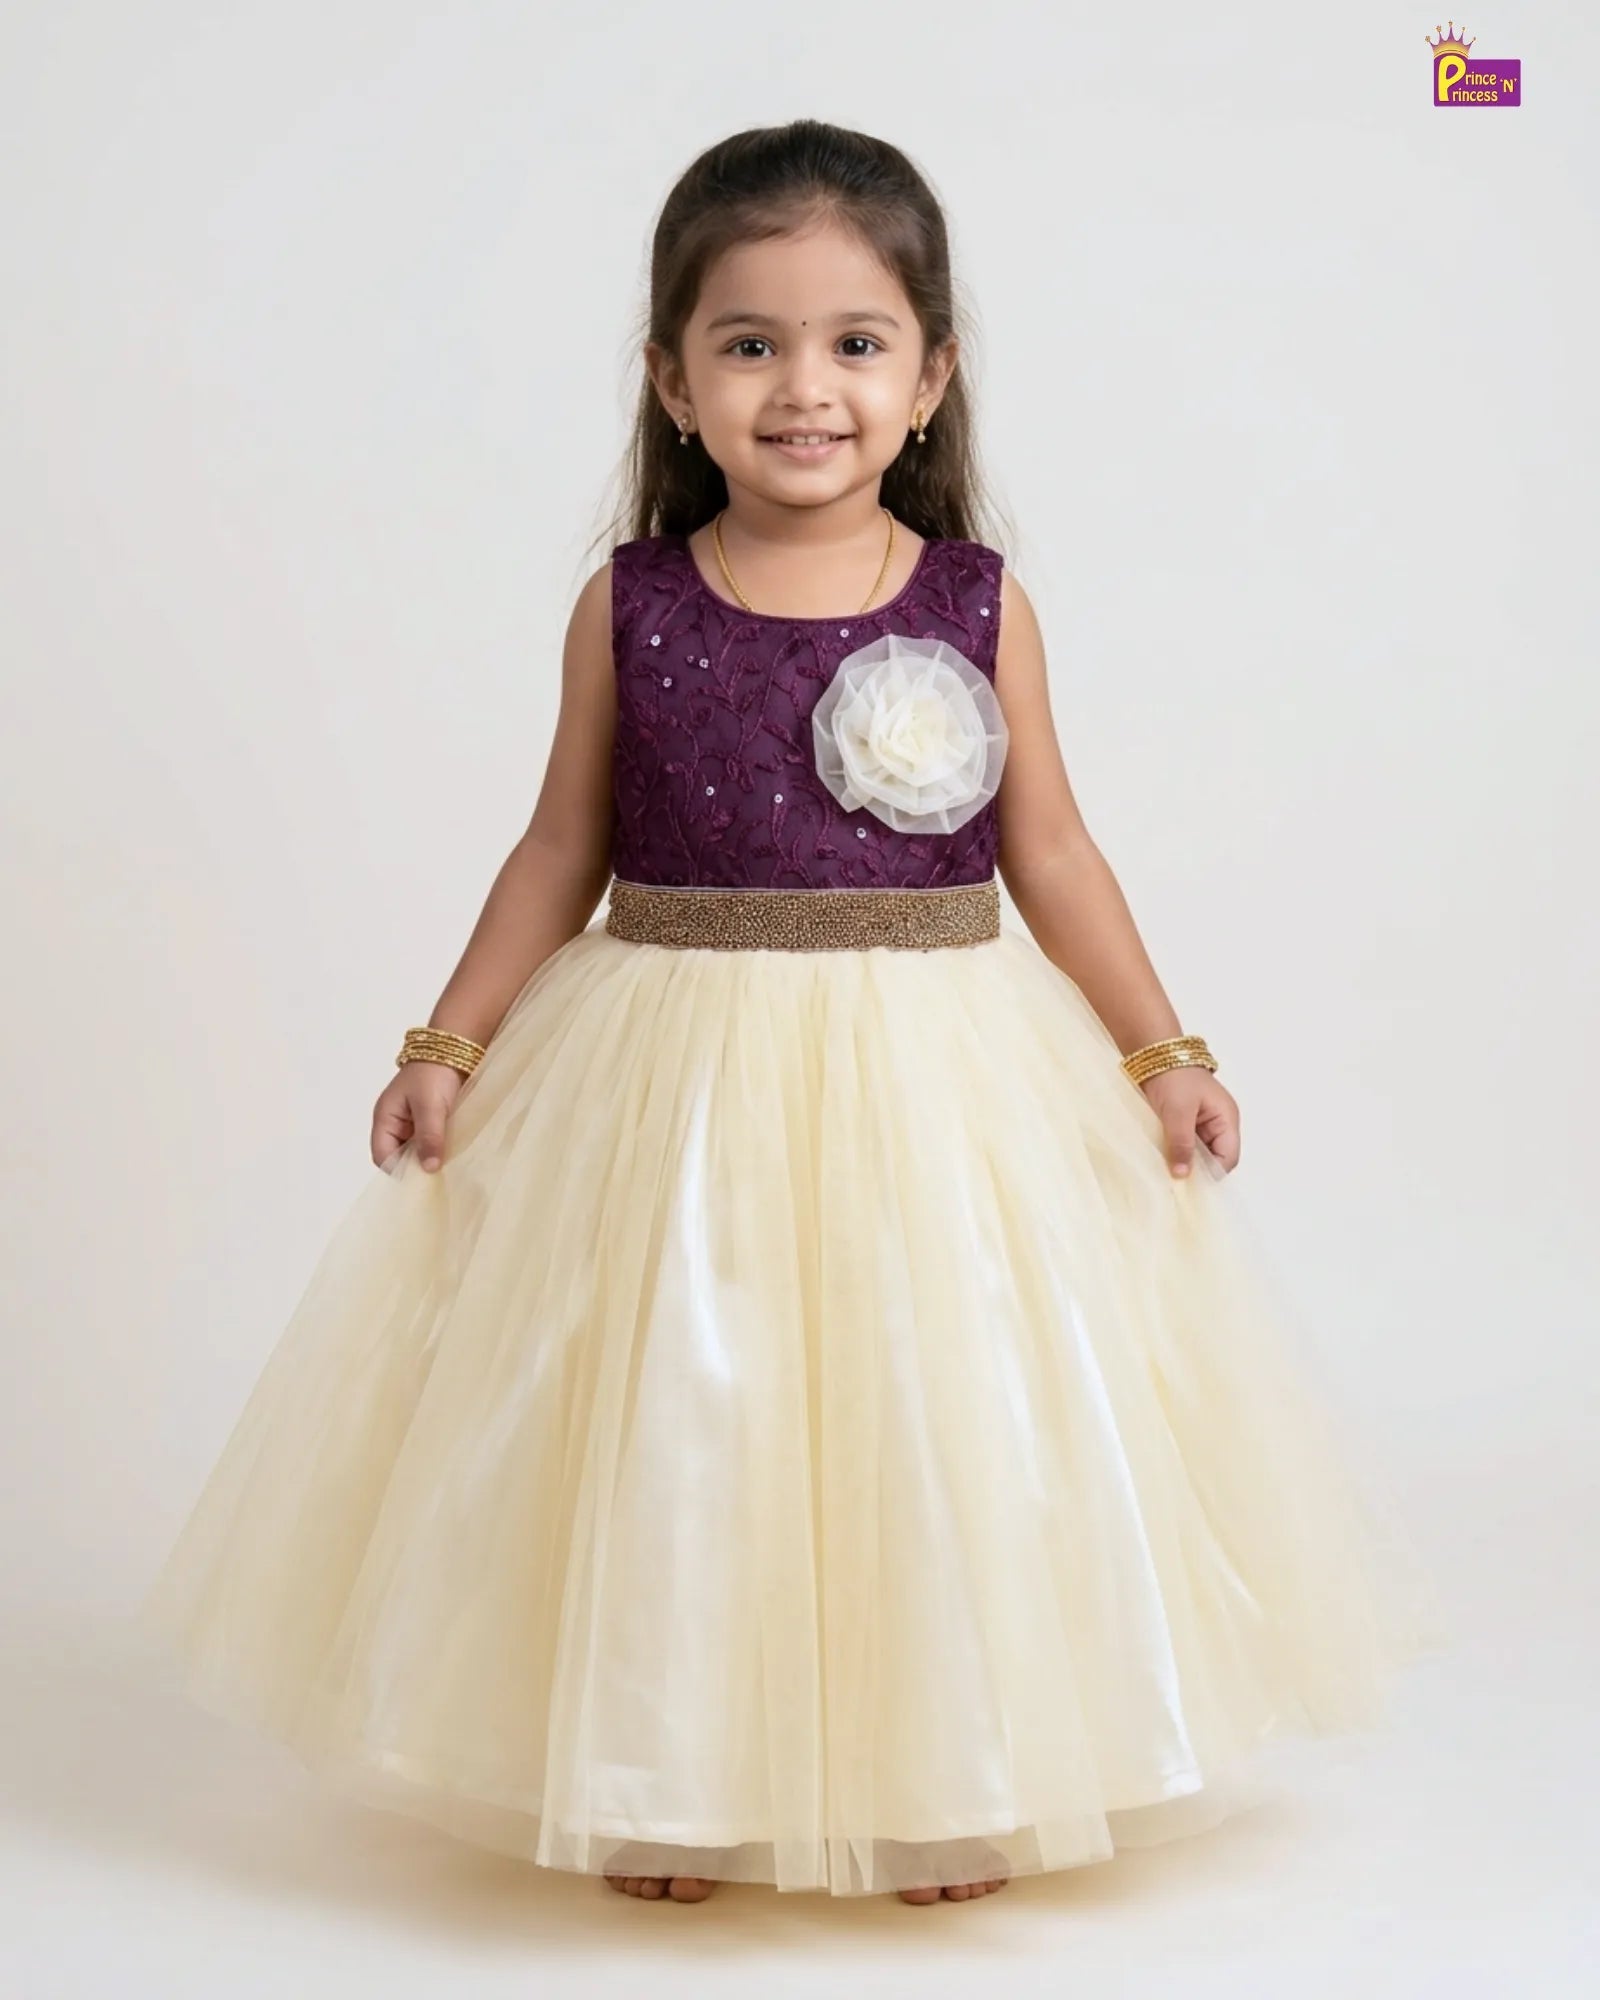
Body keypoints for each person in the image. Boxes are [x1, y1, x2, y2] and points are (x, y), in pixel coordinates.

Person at [139, 118, 1445, 1907]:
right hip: (672, 1081)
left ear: (931, 378)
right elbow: (557, 848)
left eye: (855, 343)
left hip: (934, 1080)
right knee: (685, 1416)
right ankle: (668, 1779)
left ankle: (946, 1772)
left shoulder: (979, 604)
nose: (805, 388)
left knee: (935, 1407)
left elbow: (1054, 851)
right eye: (749, 344)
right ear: (673, 382)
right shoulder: (632, 604)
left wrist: (1163, 1049)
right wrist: (447, 1040)